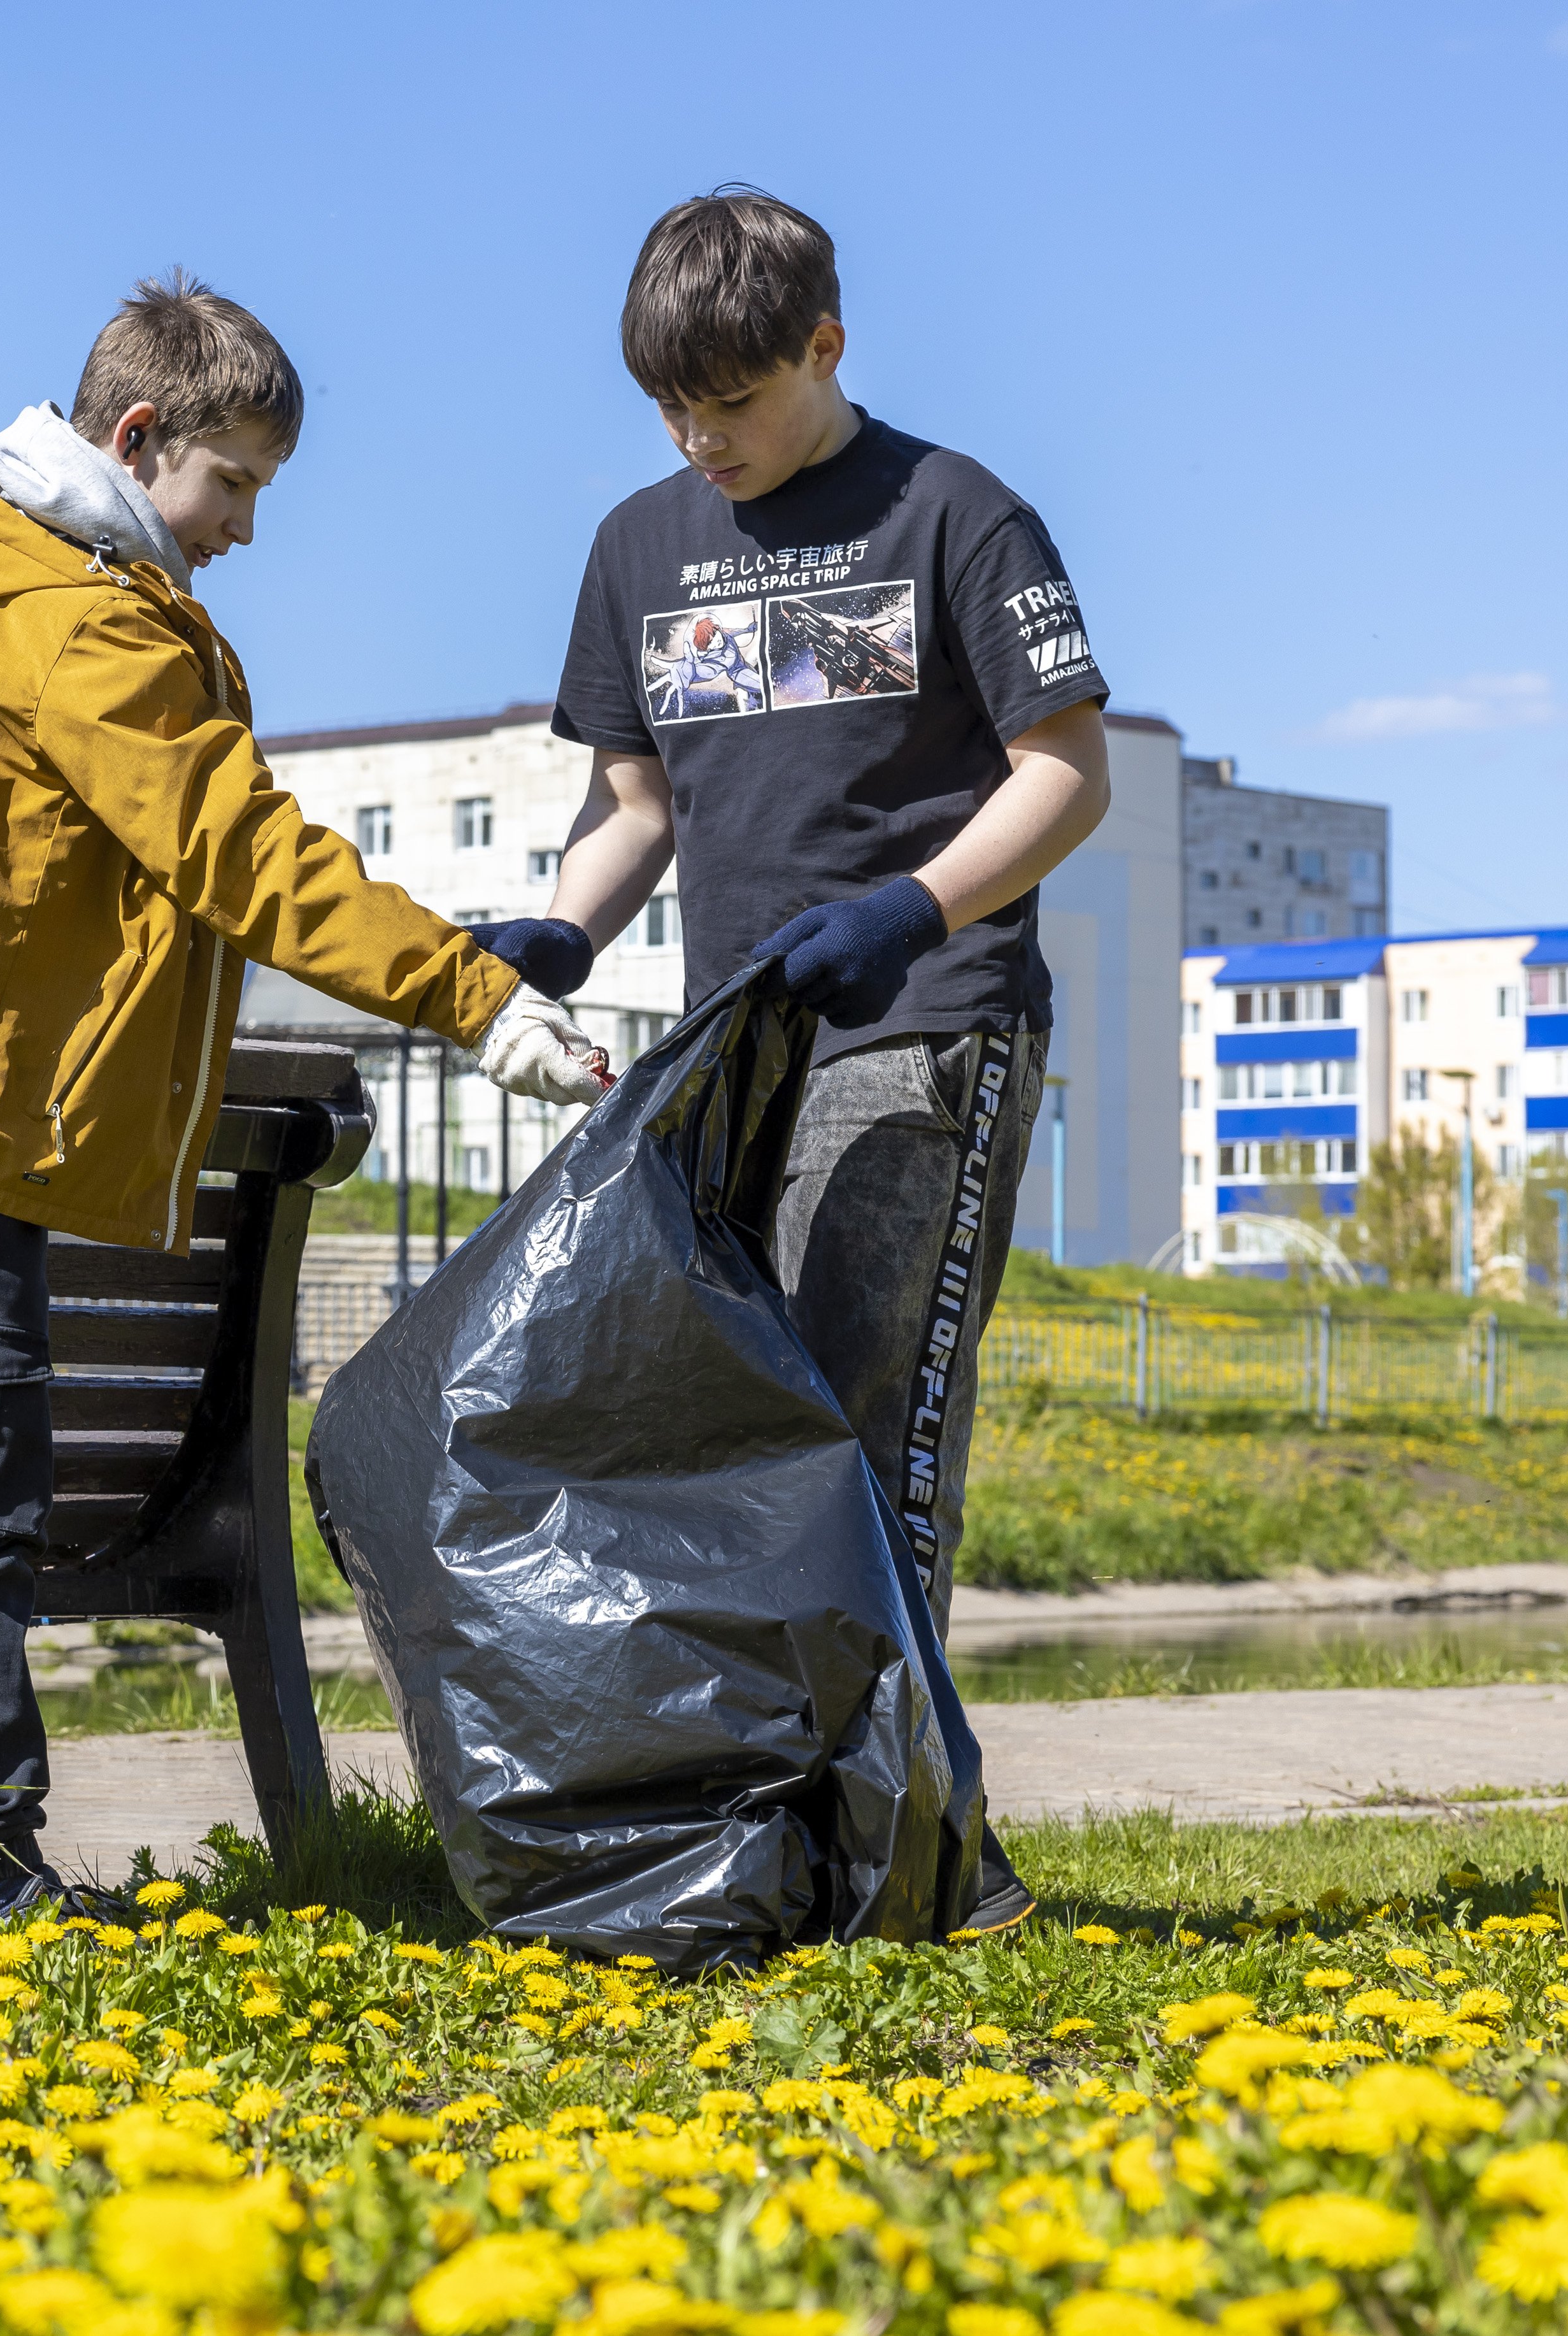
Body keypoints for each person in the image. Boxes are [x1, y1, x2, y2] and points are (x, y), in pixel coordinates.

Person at [0, 273, 607, 1921]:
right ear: (134, 436)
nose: (242, 527)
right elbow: (240, 852)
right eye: (230, 482)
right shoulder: (76, 619)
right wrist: (472, 997)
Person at [517, 190, 1112, 1935]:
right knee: (758, 1445)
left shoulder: (955, 514)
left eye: (735, 404)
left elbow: (1063, 768)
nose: (703, 442)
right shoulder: (639, 542)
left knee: (865, 1431)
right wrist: (562, 926)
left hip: (922, 1026)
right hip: (736, 1052)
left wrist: (914, 911)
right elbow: (635, 805)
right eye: (671, 412)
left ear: (826, 348)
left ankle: (918, 1868)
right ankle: (811, 1844)